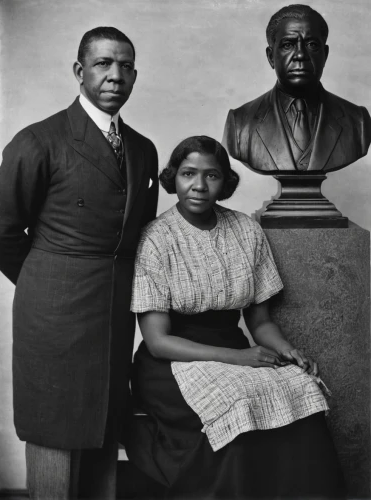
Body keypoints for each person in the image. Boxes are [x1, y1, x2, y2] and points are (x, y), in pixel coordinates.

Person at [125, 136, 345, 499]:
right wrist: (239, 359)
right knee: (240, 401)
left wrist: (289, 352)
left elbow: (260, 323)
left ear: (225, 182)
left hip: (235, 348)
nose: (198, 185)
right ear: (172, 179)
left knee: (300, 387)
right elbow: (158, 342)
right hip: (171, 362)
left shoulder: (245, 230)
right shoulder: (156, 238)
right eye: (188, 174)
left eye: (211, 175)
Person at [0, 27, 158, 499]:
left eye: (126, 66)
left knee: (104, 429)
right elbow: (1, 231)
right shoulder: (37, 141)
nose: (116, 75)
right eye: (104, 64)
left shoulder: (143, 149)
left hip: (112, 312)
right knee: (56, 431)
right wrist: (45, 282)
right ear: (79, 71)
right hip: (53, 313)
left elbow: (138, 236)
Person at [222, 4, 371, 173]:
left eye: (312, 45)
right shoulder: (240, 122)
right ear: (271, 57)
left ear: (325, 54)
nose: (300, 55)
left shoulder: (358, 121)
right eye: (288, 45)